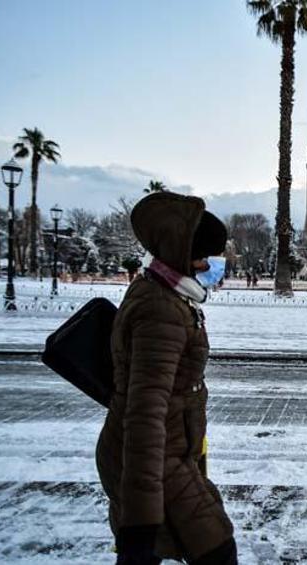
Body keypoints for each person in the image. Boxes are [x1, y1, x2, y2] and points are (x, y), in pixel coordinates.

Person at [96, 192, 236, 565]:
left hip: (171, 455)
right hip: (153, 460)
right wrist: (138, 523)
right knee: (215, 549)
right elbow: (144, 415)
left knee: (162, 550)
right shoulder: (161, 309)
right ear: (181, 251)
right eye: (203, 256)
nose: (208, 265)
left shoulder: (168, 296)